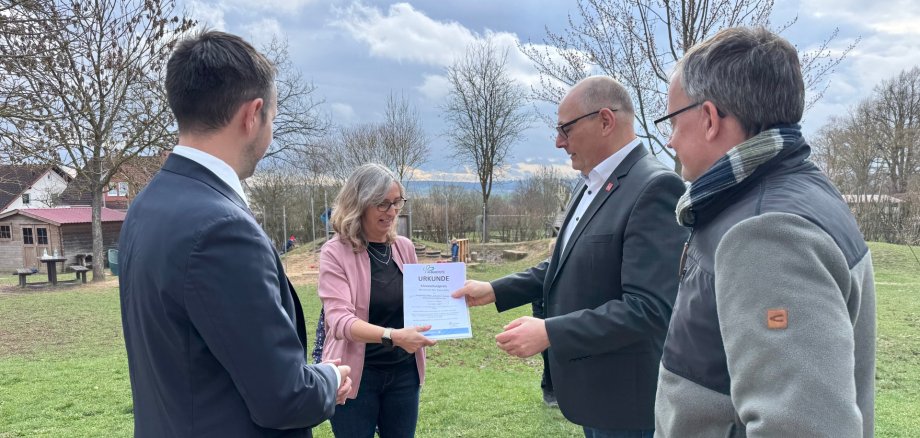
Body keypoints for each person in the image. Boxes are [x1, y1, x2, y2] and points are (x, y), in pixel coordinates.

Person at [118, 30, 350, 437]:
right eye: (272, 118)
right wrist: (329, 378)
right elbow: (284, 397)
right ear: (253, 114)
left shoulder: (147, 204)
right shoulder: (222, 229)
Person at [653, 27, 876, 437]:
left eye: (672, 120)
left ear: (708, 119)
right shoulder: (802, 191)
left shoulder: (765, 232)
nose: (669, 140)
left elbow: (805, 429)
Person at [452, 76, 688, 437]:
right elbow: (565, 263)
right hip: (594, 395)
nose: (559, 142)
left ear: (605, 120)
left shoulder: (654, 187)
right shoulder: (589, 183)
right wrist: (495, 290)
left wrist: (550, 331)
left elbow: (649, 309)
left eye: (566, 128)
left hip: (626, 405)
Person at [318, 163, 437, 438]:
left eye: (397, 202)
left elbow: (420, 302)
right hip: (354, 377)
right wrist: (392, 336)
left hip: (404, 375)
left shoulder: (404, 248)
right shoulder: (335, 252)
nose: (392, 211)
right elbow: (339, 321)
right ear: (359, 204)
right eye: (382, 204)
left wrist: (446, 302)